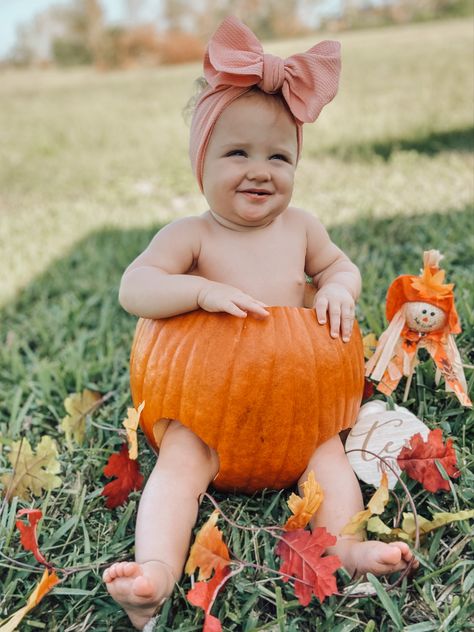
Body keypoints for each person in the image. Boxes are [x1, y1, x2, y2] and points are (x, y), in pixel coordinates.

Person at [103, 16, 416, 629]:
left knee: (330, 459)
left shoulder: (301, 228)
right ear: (202, 163)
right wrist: (198, 291)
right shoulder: (189, 236)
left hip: (301, 401)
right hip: (205, 410)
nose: (260, 170)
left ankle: (348, 549)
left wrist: (339, 289)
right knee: (177, 468)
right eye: (237, 153)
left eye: (279, 155)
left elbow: (340, 266)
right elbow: (134, 287)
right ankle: (156, 573)